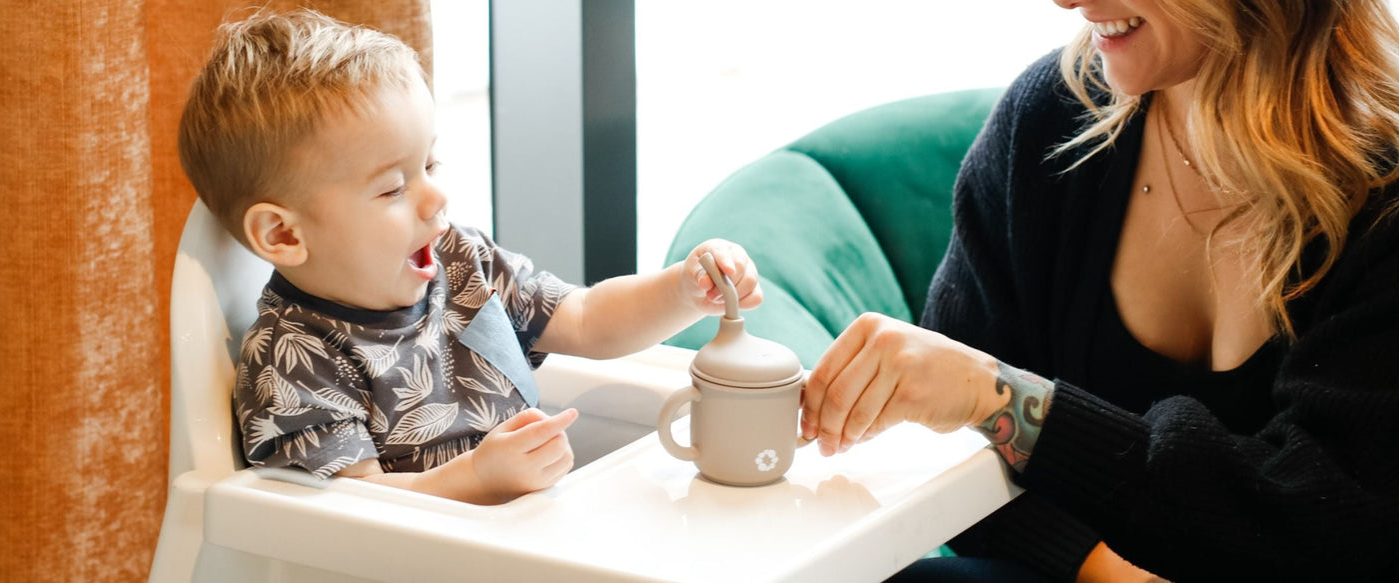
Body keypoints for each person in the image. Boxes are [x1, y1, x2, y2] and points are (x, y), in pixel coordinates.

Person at [800, 0, 1399, 581]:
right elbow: (950, 455)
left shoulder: (1386, 194)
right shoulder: (1051, 119)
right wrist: (1103, 570)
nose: (1065, 2)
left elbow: (1332, 526)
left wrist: (1003, 400)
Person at [177, 9, 762, 506]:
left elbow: (586, 319)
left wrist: (681, 292)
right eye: (391, 188)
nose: (437, 196)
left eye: (428, 165)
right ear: (282, 236)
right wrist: (478, 479)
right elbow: (358, 515)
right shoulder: (293, 361)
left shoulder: (461, 262)